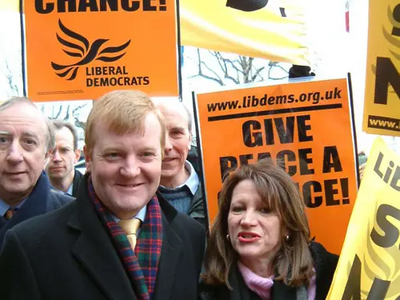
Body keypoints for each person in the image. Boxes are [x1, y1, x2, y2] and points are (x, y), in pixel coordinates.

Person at [0, 90, 206, 300]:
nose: (131, 170)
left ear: (161, 155)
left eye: (146, 154)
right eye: (114, 155)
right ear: (88, 157)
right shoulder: (30, 245)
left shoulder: (193, 237)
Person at [199, 159, 338, 300]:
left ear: (288, 226)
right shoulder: (206, 290)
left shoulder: (333, 276)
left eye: (264, 210)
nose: (247, 221)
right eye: (238, 209)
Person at [0, 97, 74, 248]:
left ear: (47, 155)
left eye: (29, 142)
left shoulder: (76, 218)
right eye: (2, 140)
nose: (14, 156)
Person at [154, 100, 207, 228]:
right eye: (156, 134)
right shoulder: (127, 198)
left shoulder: (220, 190)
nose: (166, 146)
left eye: (176, 133)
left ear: (190, 138)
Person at [46, 120, 83, 197]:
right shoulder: (28, 194)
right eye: (51, 151)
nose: (57, 158)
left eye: (64, 150)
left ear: (76, 156)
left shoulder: (93, 192)